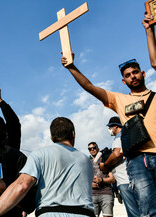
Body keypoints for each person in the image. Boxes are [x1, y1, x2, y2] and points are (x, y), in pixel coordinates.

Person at [61, 13, 156, 216]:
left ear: (143, 73)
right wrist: (71, 67)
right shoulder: (119, 100)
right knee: (148, 212)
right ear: (124, 81)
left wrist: (149, 30)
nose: (133, 77)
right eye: (128, 75)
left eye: (136, 72)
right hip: (138, 160)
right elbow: (89, 86)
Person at [0, 117, 94, 217]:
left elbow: (22, 186)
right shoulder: (87, 161)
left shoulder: (40, 154)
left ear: (52, 138)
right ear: (73, 134)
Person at [99, 117, 140, 217]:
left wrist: (105, 165)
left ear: (116, 126)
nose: (109, 130)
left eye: (110, 127)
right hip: (132, 177)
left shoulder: (119, 137)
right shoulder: (128, 135)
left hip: (124, 180)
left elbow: (116, 154)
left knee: (133, 213)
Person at [88, 142, 115, 217]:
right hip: (92, 195)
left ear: (98, 149)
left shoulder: (105, 161)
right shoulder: (87, 163)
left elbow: (112, 179)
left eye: (94, 148)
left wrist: (101, 180)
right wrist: (90, 184)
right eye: (90, 149)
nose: (92, 150)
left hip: (106, 193)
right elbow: (84, 180)